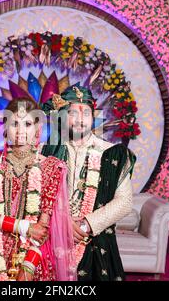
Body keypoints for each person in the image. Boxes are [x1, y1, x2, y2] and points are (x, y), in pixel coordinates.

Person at [0, 97, 76, 281]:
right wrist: (24, 227)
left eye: (27, 124)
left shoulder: (52, 167)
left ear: (37, 130)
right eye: (14, 124)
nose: (20, 131)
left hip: (35, 253)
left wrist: (27, 267)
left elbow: (43, 229)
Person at [42, 83, 136, 281]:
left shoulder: (111, 152)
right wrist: (62, 224)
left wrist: (86, 225)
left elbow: (125, 201)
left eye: (86, 113)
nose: (79, 120)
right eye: (73, 113)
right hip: (52, 236)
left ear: (93, 117)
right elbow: (37, 196)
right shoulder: (46, 151)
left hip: (95, 239)